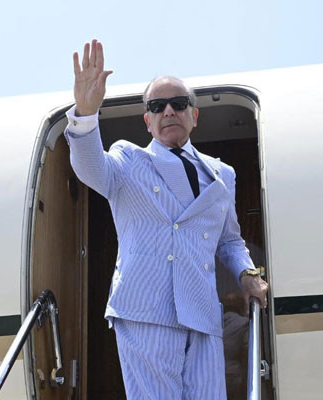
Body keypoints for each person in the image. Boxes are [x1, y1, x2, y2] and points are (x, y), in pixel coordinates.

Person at [65, 39, 269, 399]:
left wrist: (247, 274)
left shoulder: (223, 174)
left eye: (179, 103)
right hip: (145, 310)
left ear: (194, 115)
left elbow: (229, 241)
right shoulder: (128, 161)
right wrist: (85, 115)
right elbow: (89, 168)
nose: (169, 111)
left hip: (201, 313)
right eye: (158, 106)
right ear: (148, 120)